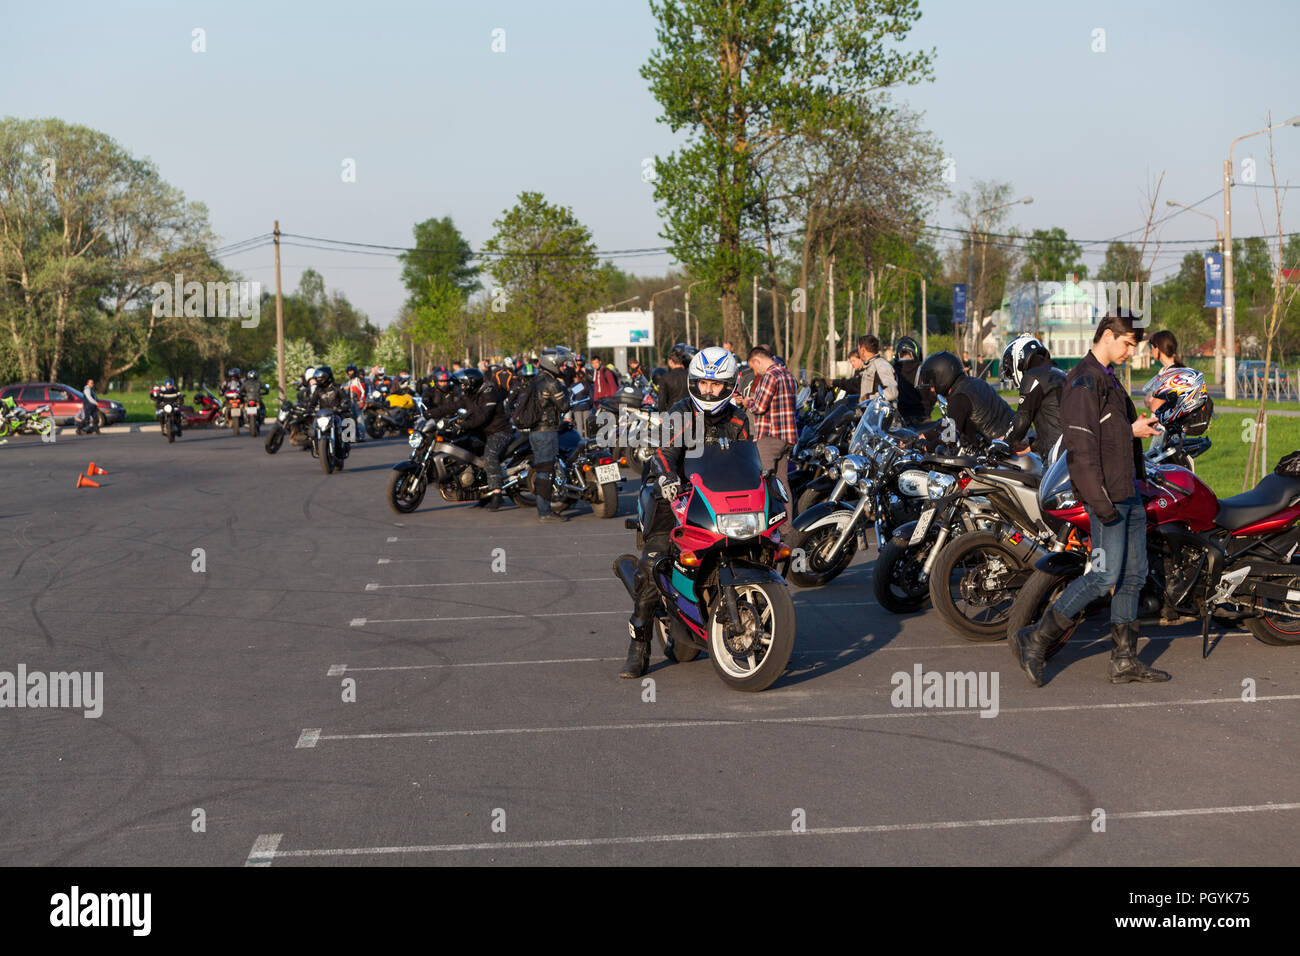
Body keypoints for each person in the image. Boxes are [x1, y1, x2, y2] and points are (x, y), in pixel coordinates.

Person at [1009, 312, 1167, 687]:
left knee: (1133, 576)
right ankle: (1035, 639)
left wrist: (1135, 431)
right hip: (1107, 498)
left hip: (1127, 491)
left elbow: (1108, 433)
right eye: (1128, 343)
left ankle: (1124, 660)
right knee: (1103, 576)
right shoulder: (1083, 381)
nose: (1132, 351)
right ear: (1108, 336)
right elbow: (1081, 448)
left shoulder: (1108, 379)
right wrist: (1099, 504)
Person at [620, 346, 751, 678]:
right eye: (703, 383)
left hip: (717, 500)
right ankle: (639, 645)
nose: (708, 390)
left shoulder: (738, 418)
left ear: (730, 384)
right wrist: (666, 476)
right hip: (672, 494)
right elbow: (664, 453)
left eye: (716, 384)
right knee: (654, 562)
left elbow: (747, 460)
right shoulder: (680, 412)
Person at [737, 345, 797, 529]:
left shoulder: (770, 376)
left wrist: (747, 401)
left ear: (757, 361)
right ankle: (786, 527)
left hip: (770, 436)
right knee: (782, 484)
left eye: (754, 368)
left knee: (762, 481)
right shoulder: (788, 374)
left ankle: (766, 526)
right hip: (787, 436)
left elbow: (760, 407)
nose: (756, 372)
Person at [916, 350, 1014, 451]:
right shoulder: (974, 383)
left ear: (942, 377)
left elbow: (949, 438)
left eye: (932, 382)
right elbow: (951, 422)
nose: (932, 389)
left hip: (1002, 450)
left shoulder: (959, 398)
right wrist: (923, 436)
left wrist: (925, 447)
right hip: (1015, 437)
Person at [999, 333, 1066, 458]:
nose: (1011, 376)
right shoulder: (1059, 373)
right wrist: (1032, 445)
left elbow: (1021, 421)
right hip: (1070, 452)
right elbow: (1055, 427)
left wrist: (1003, 443)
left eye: (1010, 372)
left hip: (1057, 457)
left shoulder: (1033, 376)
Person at [530, 346, 574, 521]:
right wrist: (567, 392)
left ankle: (544, 508)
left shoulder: (537, 379)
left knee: (542, 470)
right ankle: (545, 512)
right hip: (546, 432)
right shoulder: (551, 383)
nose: (564, 368)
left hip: (535, 431)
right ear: (553, 364)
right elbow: (564, 406)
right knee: (546, 472)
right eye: (562, 365)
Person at [892, 336, 933, 428]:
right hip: (923, 419)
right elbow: (932, 395)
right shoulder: (923, 369)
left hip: (900, 420)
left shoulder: (893, 370)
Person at [857, 335, 898, 402]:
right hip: (869, 411)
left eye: (858, 349)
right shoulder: (870, 365)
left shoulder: (881, 365)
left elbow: (892, 393)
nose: (859, 353)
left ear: (863, 350)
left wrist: (868, 397)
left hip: (881, 411)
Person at [657, 347, 690, 411]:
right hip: (689, 412)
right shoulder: (690, 376)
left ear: (670, 361)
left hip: (673, 412)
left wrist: (662, 416)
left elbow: (662, 400)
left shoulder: (665, 377)